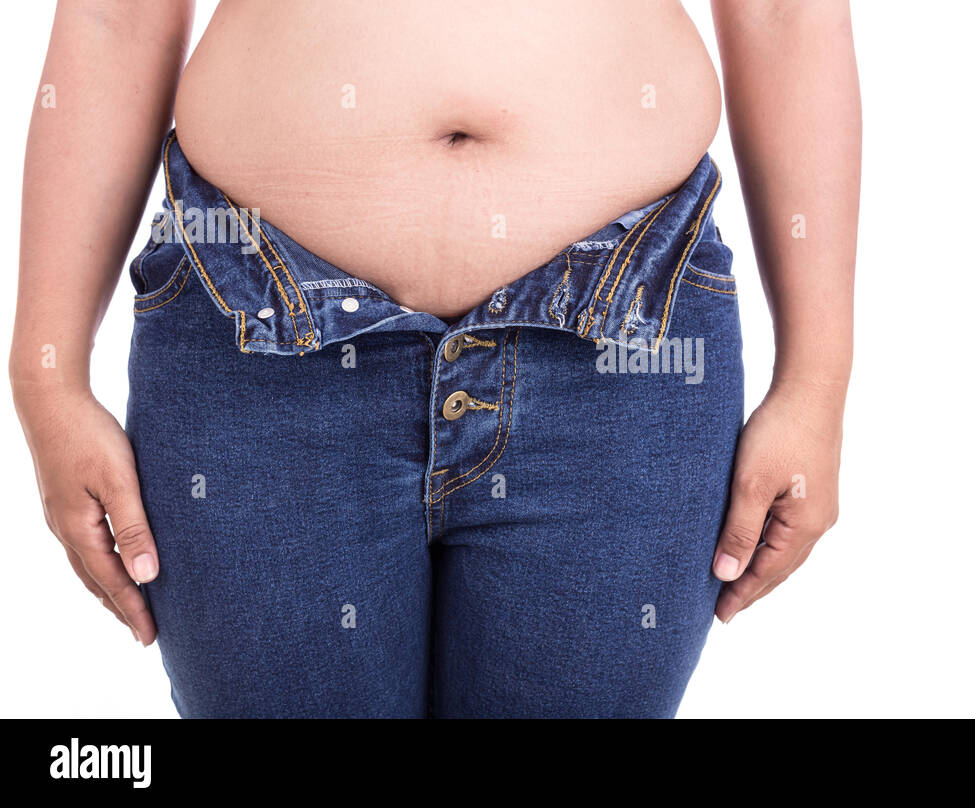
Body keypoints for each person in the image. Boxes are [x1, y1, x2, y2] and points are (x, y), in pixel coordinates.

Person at [10, 0, 859, 717]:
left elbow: (783, 11)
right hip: (257, 340)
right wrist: (43, 377)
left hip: (623, 347)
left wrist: (817, 384)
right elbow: (116, 15)